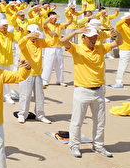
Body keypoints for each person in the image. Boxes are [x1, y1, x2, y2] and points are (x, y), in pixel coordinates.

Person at [61, 26, 123, 158]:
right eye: (90, 38)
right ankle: (74, 145)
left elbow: (118, 42)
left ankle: (98, 146)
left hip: (98, 91)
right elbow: (62, 42)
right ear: (83, 38)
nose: (93, 40)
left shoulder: (101, 48)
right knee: (77, 121)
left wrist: (117, 34)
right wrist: (76, 32)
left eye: (95, 37)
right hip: (82, 90)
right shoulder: (77, 49)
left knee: (100, 121)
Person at [17, 24, 52, 124]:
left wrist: (48, 31)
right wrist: (28, 35)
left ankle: (40, 115)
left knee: (40, 96)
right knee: (25, 95)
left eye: (37, 34)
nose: (36, 36)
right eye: (34, 34)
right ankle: (22, 114)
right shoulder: (24, 42)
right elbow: (20, 43)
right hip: (26, 73)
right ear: (28, 33)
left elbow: (51, 42)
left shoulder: (39, 41)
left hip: (37, 73)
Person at [113, 13, 130, 89]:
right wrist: (125, 18)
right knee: (122, 65)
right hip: (125, 48)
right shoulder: (121, 26)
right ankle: (118, 82)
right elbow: (117, 25)